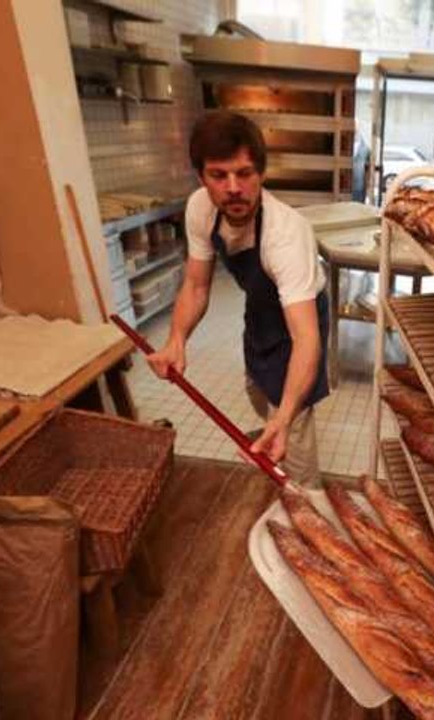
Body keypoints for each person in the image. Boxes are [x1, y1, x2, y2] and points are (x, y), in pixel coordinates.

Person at [147, 111, 329, 487]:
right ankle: (273, 428)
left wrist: (284, 418)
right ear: (201, 177)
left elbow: (306, 338)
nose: (233, 187)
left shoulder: (286, 234)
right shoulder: (200, 208)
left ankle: (307, 495)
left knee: (292, 422)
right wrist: (176, 340)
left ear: (261, 173)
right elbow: (196, 285)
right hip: (260, 306)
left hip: (301, 313)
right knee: (258, 386)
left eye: (244, 173)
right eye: (219, 175)